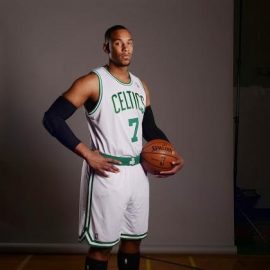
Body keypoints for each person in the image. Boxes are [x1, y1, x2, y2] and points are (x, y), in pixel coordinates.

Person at [43, 25, 184, 270]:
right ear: (106, 47)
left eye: (129, 42)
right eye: (118, 42)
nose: (125, 47)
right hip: (107, 171)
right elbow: (52, 118)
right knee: (102, 246)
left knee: (133, 241)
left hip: (137, 172)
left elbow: (150, 129)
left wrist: (172, 153)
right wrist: (87, 154)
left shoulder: (141, 86)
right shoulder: (93, 82)